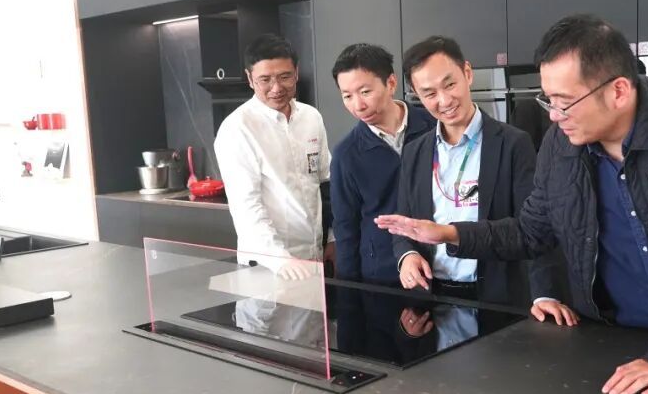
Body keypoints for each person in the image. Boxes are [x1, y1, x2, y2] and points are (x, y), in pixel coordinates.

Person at [378, 15, 648, 394]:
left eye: (564, 101)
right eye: (548, 100)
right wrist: (450, 234)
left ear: (618, 91)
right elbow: (532, 231)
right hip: (617, 341)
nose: (554, 115)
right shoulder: (561, 143)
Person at [392, 35, 576, 323]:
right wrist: (407, 257)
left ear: (467, 73)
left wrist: (545, 294)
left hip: (497, 297)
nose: (444, 101)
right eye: (429, 93)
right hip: (433, 298)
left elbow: (536, 228)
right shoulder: (415, 152)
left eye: (449, 84)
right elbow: (405, 225)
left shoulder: (513, 143)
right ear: (416, 94)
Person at [213, 34, 333, 279]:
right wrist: (281, 260)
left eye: (284, 77)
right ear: (250, 79)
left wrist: (333, 238)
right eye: (265, 80)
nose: (276, 88)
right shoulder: (237, 128)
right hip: (268, 264)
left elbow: (325, 183)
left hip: (314, 254)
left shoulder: (311, 117)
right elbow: (247, 206)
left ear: (296, 73)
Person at [329, 43, 436, 285]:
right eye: (347, 96)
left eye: (365, 92)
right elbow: (346, 229)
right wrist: (349, 293)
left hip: (442, 266)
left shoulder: (434, 127)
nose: (358, 105)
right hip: (383, 277)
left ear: (391, 83)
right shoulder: (346, 154)